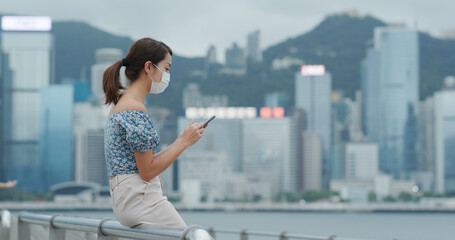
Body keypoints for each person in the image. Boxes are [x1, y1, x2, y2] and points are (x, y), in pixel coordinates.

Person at [103, 38, 205, 228]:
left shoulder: (121, 106)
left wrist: (183, 139)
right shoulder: (135, 110)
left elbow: (139, 163)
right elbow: (147, 171)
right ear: (148, 67)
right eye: (166, 69)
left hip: (126, 201)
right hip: (142, 200)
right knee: (190, 236)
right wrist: (183, 144)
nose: (167, 75)